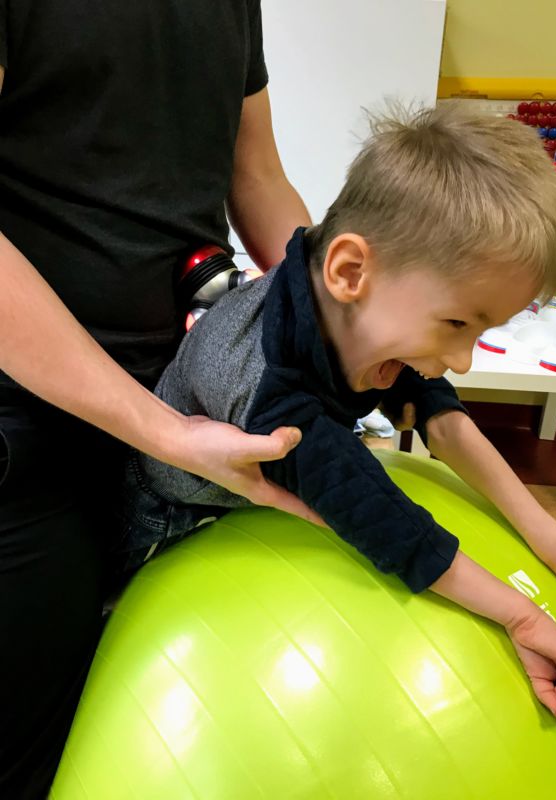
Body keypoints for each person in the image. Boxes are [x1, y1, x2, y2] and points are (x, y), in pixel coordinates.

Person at [118, 105, 556, 723]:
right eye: (457, 324)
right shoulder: (270, 396)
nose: (462, 360)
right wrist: (522, 617)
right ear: (350, 272)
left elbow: (443, 420)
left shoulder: (357, 304)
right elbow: (390, 526)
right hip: (171, 513)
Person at [0, 2, 328, 797]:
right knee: (27, 750)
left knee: (148, 718)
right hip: (28, 431)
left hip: (180, 401)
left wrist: (336, 327)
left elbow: (256, 177)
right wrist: (165, 431)